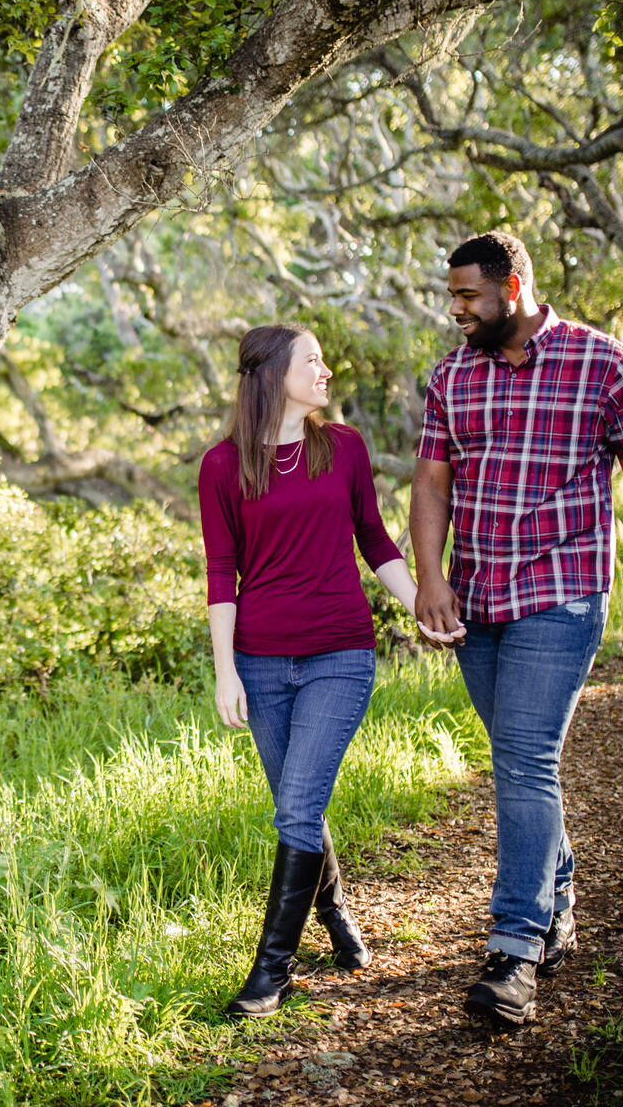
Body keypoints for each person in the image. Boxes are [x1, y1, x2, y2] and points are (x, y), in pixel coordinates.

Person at [411, 230, 623, 1028]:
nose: (454, 309)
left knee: (523, 760)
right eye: (452, 295)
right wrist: (430, 578)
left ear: (514, 289)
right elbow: (431, 483)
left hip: (562, 595)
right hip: (477, 600)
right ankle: (557, 902)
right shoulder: (453, 374)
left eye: (467, 296)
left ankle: (513, 947)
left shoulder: (602, 361)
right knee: (519, 760)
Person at [198, 322, 434, 1019]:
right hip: (261, 664)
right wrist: (225, 672)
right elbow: (221, 574)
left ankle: (270, 972)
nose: (327, 371)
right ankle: (334, 916)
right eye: (314, 361)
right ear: (272, 374)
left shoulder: (344, 448)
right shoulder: (223, 465)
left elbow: (374, 539)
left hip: (339, 652)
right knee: (297, 806)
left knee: (297, 806)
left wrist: (424, 605)